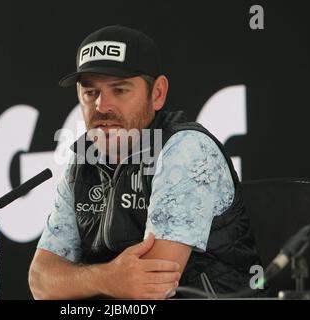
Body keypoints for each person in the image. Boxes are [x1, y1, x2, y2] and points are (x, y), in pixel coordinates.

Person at [28, 25, 263, 299]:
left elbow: (153, 286)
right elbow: (41, 280)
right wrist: (107, 278)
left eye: (120, 90)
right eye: (90, 93)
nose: (102, 106)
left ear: (158, 93)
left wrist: (83, 281)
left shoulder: (185, 149)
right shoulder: (83, 162)